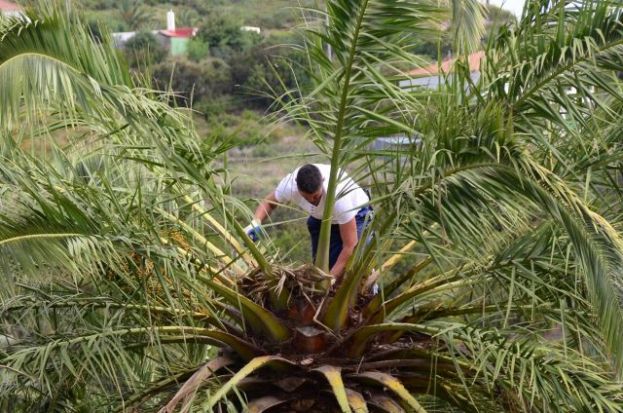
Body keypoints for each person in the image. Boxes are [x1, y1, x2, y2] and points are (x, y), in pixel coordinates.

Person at [246, 164, 372, 279]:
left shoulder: (338, 196)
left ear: (322, 180)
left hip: (357, 216)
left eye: (316, 196)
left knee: (354, 270)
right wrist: (256, 223)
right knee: (321, 268)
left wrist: (328, 280)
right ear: (297, 186)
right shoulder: (289, 186)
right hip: (322, 220)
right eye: (307, 197)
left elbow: (350, 245)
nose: (313, 200)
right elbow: (269, 203)